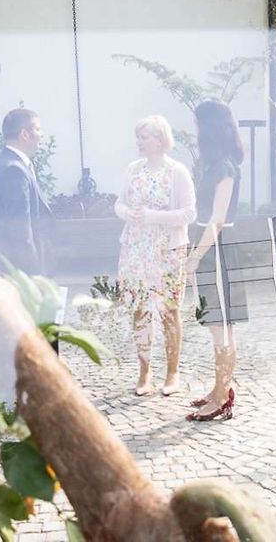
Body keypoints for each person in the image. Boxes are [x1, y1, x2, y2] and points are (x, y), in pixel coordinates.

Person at [116, 115, 196, 396]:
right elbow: (119, 203)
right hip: (136, 250)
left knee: (169, 311)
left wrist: (152, 216)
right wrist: (128, 213)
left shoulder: (177, 172)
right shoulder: (132, 170)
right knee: (140, 310)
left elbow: (189, 213)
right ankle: (144, 373)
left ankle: (172, 373)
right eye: (138, 137)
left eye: (144, 137)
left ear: (161, 140)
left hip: (168, 251)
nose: (139, 142)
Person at [185, 100, 245, 421]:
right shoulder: (218, 164)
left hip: (218, 250)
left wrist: (196, 256)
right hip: (213, 247)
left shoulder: (225, 167)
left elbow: (218, 219)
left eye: (198, 124)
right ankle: (220, 388)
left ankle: (222, 396)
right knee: (218, 326)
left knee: (222, 328)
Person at [0, 108, 54, 276]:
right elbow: (20, 230)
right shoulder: (14, 170)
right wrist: (34, 275)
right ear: (25, 134)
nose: (41, 135)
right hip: (21, 269)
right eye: (37, 129)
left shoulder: (16, 165)